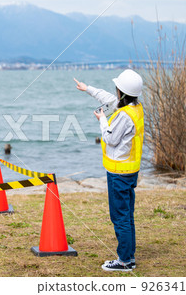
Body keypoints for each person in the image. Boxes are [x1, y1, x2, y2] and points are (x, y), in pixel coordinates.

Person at [74, 69, 144, 272]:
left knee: (120, 217)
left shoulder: (123, 115)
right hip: (130, 171)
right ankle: (128, 256)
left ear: (121, 91)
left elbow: (110, 139)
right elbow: (109, 98)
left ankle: (124, 261)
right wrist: (88, 89)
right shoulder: (135, 108)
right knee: (127, 215)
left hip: (119, 173)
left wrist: (102, 120)